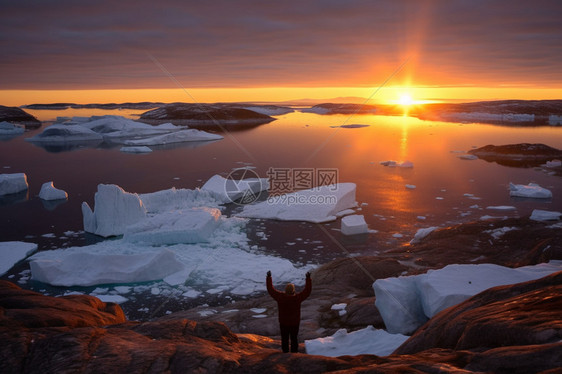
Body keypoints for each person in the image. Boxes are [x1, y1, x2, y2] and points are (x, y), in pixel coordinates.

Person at [266, 270, 312, 353]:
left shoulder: (280, 297)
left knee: (284, 338)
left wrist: (269, 278)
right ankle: (294, 353)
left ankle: (285, 352)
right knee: (294, 338)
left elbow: (271, 290)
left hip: (283, 322)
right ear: (293, 290)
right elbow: (307, 291)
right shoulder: (297, 298)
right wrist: (308, 279)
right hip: (295, 323)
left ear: (285, 290)